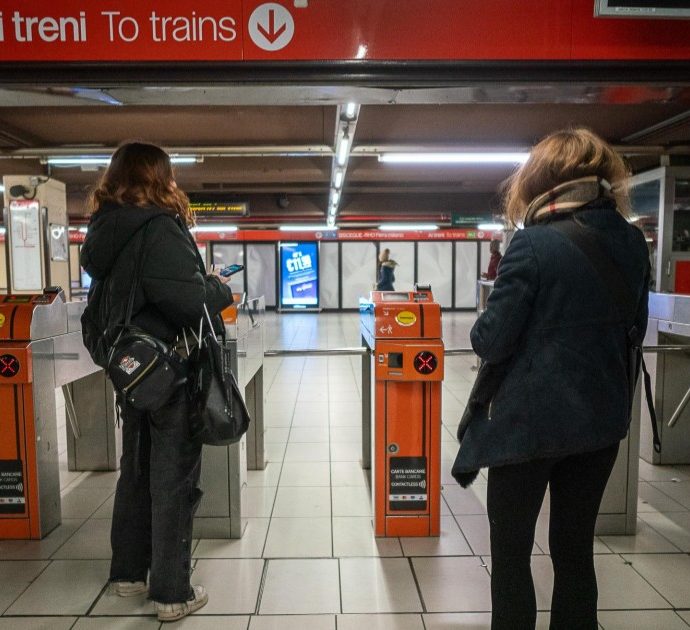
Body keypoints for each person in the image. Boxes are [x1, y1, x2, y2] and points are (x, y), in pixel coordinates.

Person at [452, 128, 650, 629]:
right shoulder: (630, 242)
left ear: (540, 181)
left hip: (528, 431)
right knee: (574, 551)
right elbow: (635, 328)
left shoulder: (532, 244)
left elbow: (490, 341)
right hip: (599, 425)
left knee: (513, 556)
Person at [80, 142, 234, 622]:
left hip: (134, 369)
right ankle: (172, 592)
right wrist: (217, 286)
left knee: (137, 468)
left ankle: (128, 573)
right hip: (170, 369)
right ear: (159, 178)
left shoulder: (106, 228)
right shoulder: (159, 227)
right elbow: (187, 303)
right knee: (174, 476)